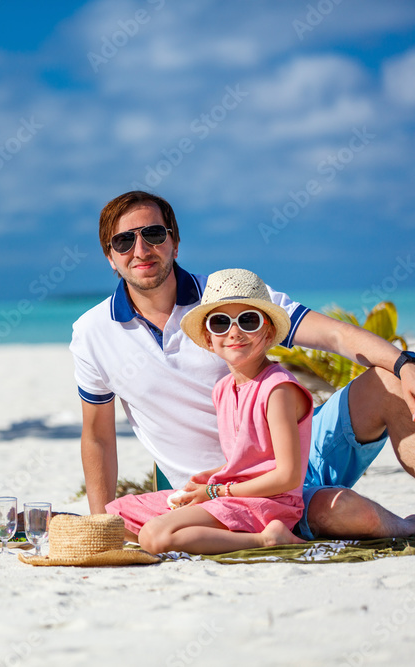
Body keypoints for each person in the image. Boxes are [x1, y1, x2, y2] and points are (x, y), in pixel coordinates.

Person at [71, 190, 415, 540]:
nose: (141, 250)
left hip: (300, 454)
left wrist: (405, 364)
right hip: (221, 492)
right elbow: (98, 436)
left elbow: (335, 336)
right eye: (124, 241)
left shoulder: (231, 296)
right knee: (345, 515)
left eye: (154, 234)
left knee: (391, 380)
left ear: (174, 243)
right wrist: (103, 529)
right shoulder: (91, 333)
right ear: (110, 257)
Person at [106, 268, 312, 554]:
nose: (235, 332)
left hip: (268, 502)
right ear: (208, 337)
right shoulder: (224, 388)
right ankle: (197, 529)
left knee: (154, 536)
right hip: (233, 493)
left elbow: (287, 476)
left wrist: (216, 491)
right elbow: (250, 459)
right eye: (220, 323)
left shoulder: (277, 390)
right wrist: (210, 478)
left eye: (248, 320)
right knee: (115, 516)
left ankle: (266, 538)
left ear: (268, 331)